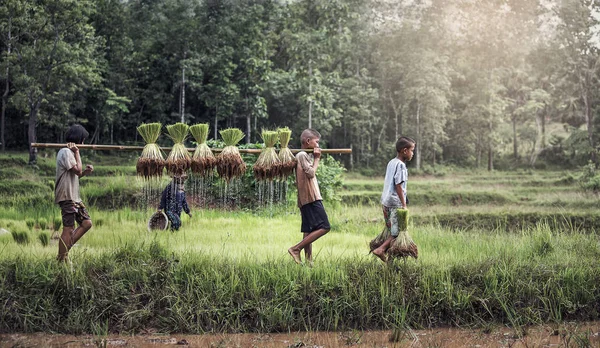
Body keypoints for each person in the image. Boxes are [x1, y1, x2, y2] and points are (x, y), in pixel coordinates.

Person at [288, 129, 330, 265]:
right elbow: (311, 173)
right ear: (308, 141)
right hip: (311, 197)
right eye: (316, 142)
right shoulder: (301, 155)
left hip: (305, 199)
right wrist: (317, 159)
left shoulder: (304, 155)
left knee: (308, 230)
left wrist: (314, 156)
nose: (318, 145)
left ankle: (309, 261)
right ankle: (296, 249)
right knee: (325, 227)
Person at [372, 136, 416, 262]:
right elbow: (399, 186)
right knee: (397, 232)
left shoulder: (391, 162)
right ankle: (380, 249)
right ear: (405, 150)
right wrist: (404, 205)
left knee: (391, 230)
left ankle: (390, 262)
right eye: (412, 150)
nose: (412, 153)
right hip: (395, 203)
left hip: (385, 202)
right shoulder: (401, 166)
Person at [55, 124, 94, 262]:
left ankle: (63, 253)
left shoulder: (69, 153)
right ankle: (61, 259)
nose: (83, 143)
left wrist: (86, 173)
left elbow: (77, 174)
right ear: (78, 139)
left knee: (87, 223)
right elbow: (77, 170)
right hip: (66, 196)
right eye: (82, 140)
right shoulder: (66, 152)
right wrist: (77, 153)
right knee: (68, 228)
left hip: (74, 197)